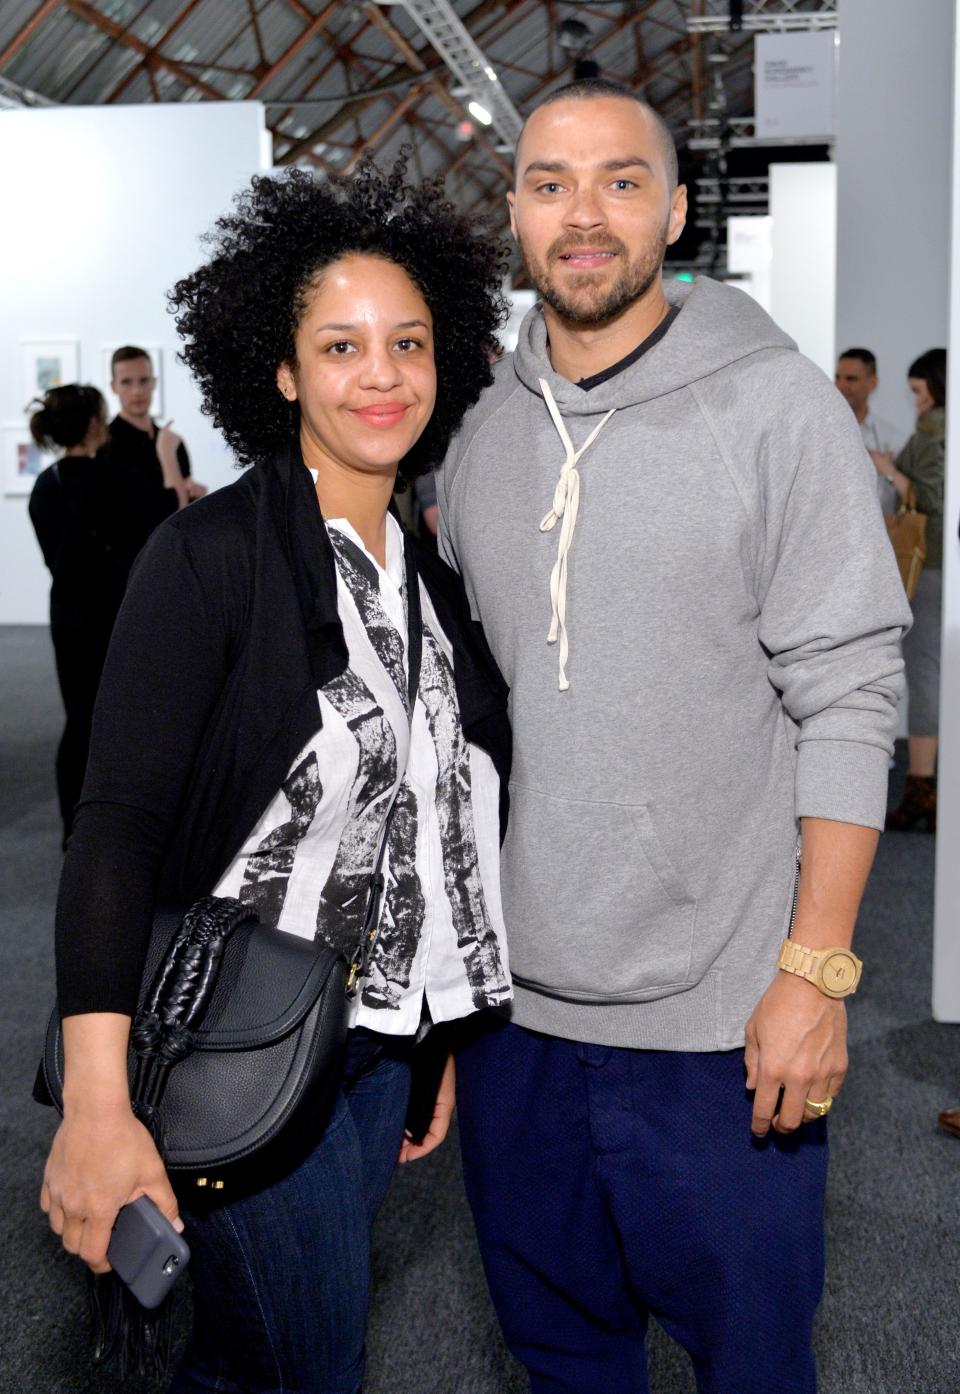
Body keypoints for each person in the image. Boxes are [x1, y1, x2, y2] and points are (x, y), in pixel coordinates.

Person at [438, 78, 910, 1394]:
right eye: (549, 184)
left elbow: (853, 694)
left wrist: (814, 974)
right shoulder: (470, 437)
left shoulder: (779, 412)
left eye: (621, 182)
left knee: (752, 1365)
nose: (583, 216)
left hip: (726, 1031)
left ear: (679, 211)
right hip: (516, 1028)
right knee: (561, 1358)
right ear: (515, 214)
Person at [40, 163, 511, 1394]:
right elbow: (114, 829)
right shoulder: (207, 557)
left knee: (257, 1357)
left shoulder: (429, 576)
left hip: (366, 1057)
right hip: (230, 1047)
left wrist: (430, 1035)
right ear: (284, 370)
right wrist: (99, 1106)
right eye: (342, 344)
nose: (384, 373)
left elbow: (422, 824)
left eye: (409, 341)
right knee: (309, 1362)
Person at [27, 385, 178, 842]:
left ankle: (73, 828)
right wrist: (167, 453)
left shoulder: (44, 486)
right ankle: (120, 827)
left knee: (79, 718)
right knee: (126, 719)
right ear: (95, 425)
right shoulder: (113, 479)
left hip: (68, 613)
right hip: (116, 612)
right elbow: (170, 512)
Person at [883, 348, 946, 833]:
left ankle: (922, 784)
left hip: (932, 561)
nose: (915, 403)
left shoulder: (934, 433)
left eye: (918, 393)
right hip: (942, 563)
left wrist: (888, 469)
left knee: (924, 669)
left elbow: (930, 499)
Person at [104, 345, 207, 507]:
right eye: (126, 382)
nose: (137, 391)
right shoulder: (105, 444)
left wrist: (193, 494)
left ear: (153, 382)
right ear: (113, 386)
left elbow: (182, 507)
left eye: (143, 380)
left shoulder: (173, 441)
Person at [834, 346, 907, 511]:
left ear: (872, 383)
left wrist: (888, 471)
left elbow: (910, 495)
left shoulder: (892, 439)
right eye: (837, 377)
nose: (840, 385)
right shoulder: (822, 433)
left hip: (883, 532)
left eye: (851, 379)